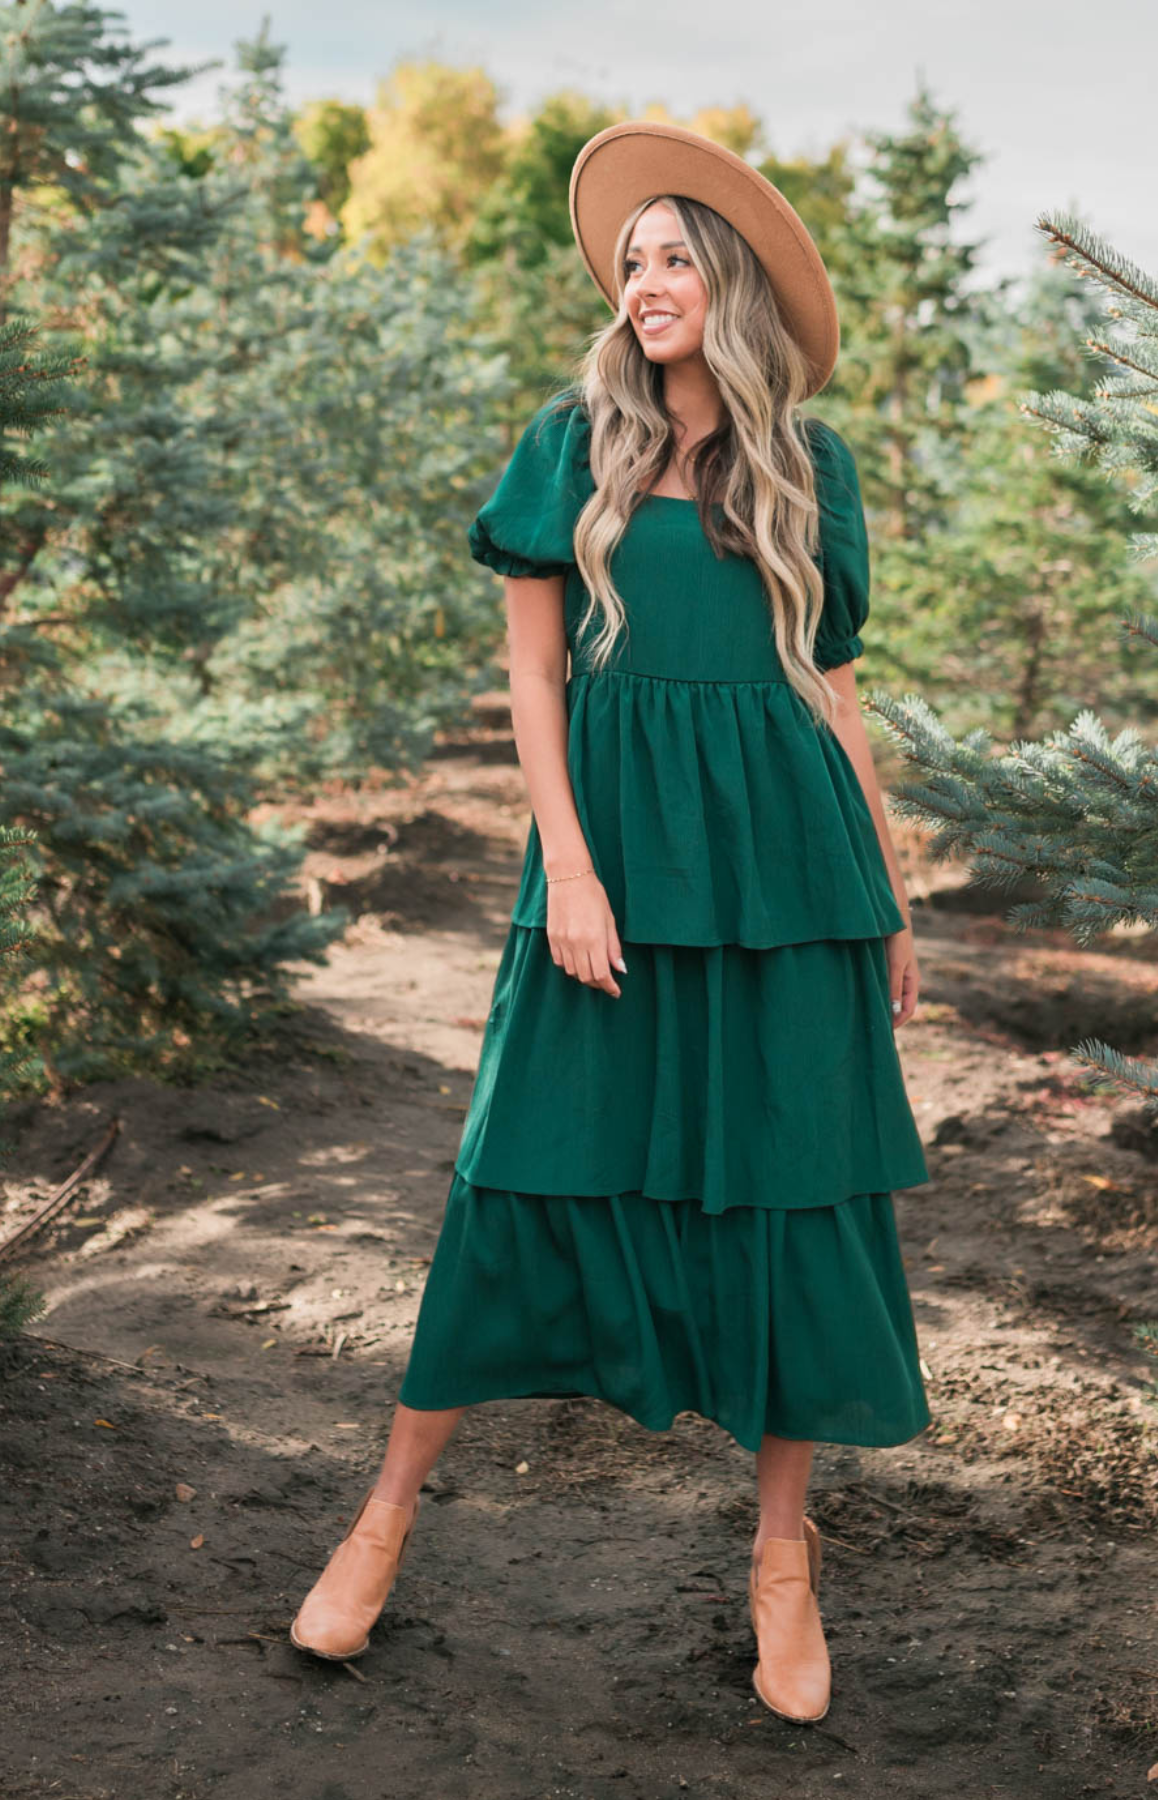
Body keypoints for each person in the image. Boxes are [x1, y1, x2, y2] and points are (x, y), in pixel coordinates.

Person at [290, 119, 933, 1727]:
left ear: (728, 284)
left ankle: (780, 1563)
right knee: (522, 1169)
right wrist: (569, 870)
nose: (644, 281)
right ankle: (382, 1519)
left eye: (672, 256)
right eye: (631, 259)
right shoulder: (568, 442)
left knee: (793, 1195)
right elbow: (529, 676)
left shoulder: (808, 467)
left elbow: (828, 688)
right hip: (615, 858)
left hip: (795, 876)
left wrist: (888, 891)